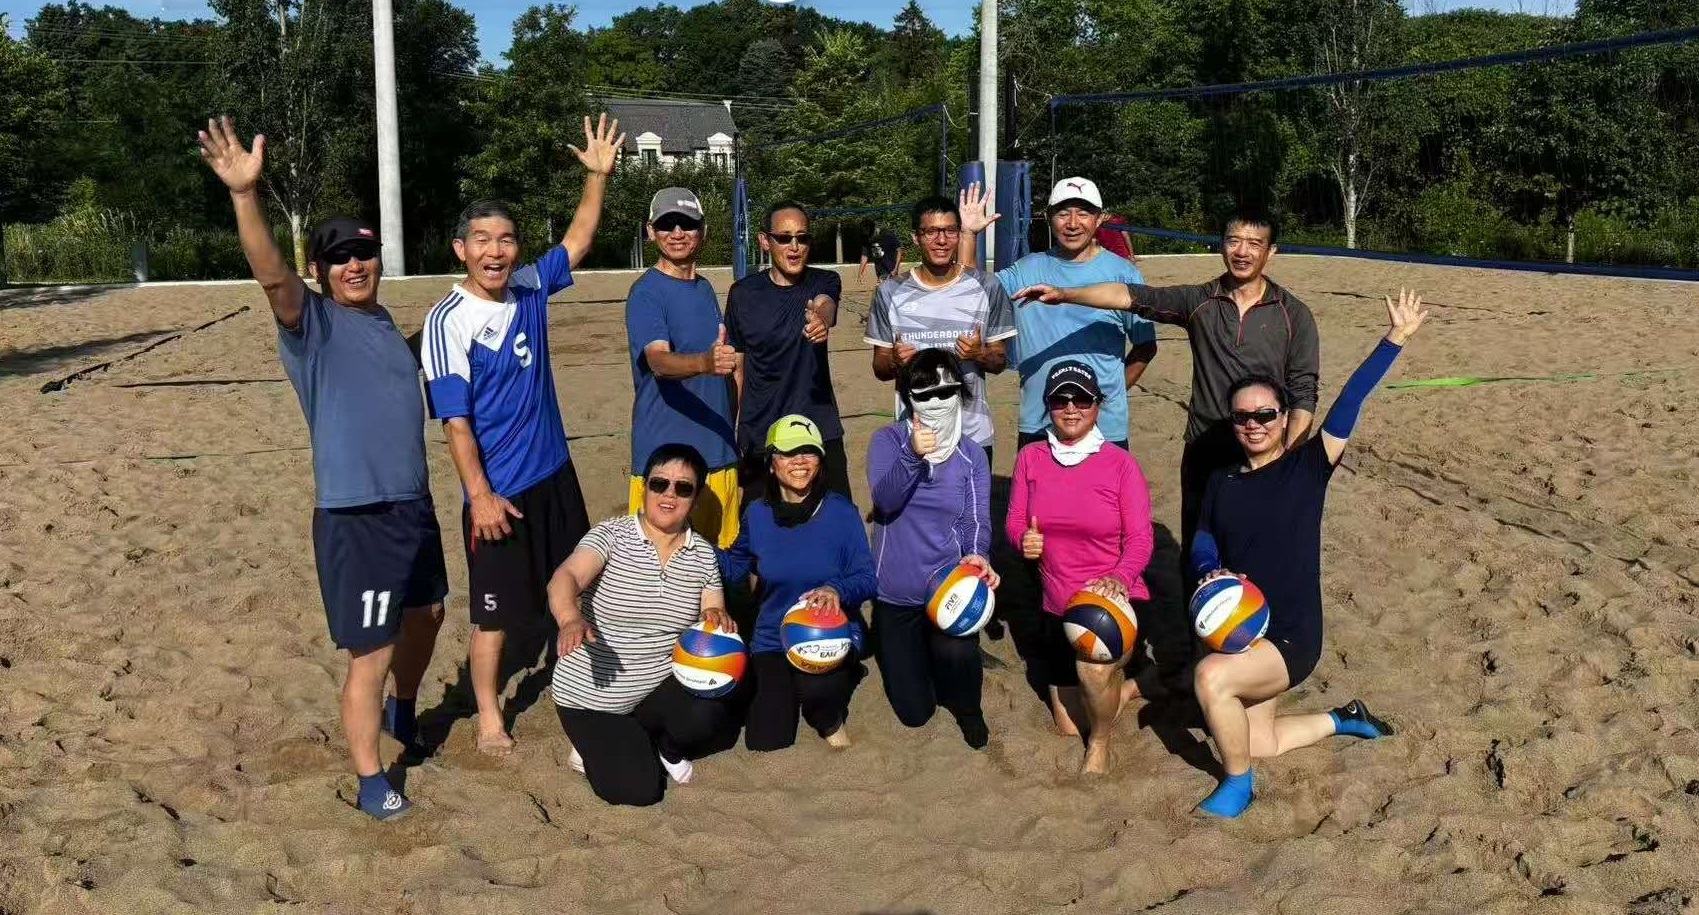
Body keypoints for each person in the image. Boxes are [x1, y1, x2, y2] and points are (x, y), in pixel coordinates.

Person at [197, 116, 445, 820]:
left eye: (363, 254)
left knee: (427, 615)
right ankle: (372, 780)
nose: (354, 265)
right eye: (339, 258)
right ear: (321, 271)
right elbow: (272, 276)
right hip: (355, 517)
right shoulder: (313, 327)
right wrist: (245, 195)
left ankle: (404, 707)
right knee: (370, 649)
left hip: (413, 507)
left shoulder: (390, 331)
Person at [421, 114, 624, 757]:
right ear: (461, 249)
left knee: (578, 588)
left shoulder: (531, 287)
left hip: (554, 474)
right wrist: (478, 494)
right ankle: (488, 717)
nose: (496, 251)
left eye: (506, 239)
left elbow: (580, 240)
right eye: (482, 240)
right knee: (493, 619)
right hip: (498, 494)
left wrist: (596, 178)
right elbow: (457, 425)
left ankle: (584, 693)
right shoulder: (446, 320)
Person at [1187, 289, 1425, 818]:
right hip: (1243, 628)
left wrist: (1395, 339)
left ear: (1282, 416)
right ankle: (1344, 718)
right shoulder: (1221, 480)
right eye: (1242, 417)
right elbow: (1204, 536)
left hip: (1291, 633)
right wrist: (1208, 568)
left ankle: (1237, 785)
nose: (1254, 424)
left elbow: (1348, 401)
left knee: (1210, 681)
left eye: (1264, 414)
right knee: (1261, 741)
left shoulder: (1308, 468)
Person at [1012, 208, 1320, 591]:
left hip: (1263, 453)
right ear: (1222, 245)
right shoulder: (1200, 301)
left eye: (1254, 244)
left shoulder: (1295, 315)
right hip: (1204, 451)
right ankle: (1197, 642)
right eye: (1234, 241)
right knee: (1198, 552)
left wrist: (1285, 460)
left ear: (1270, 252)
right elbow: (1132, 296)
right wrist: (1066, 295)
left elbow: (1304, 391)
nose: (1242, 251)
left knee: (1259, 552)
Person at [549, 444, 739, 807]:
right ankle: (592, 745)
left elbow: (713, 609)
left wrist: (716, 619)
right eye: (659, 484)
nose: (669, 494)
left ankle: (659, 742)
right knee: (640, 790)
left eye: (683, 488)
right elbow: (566, 576)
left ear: (695, 497)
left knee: (715, 704)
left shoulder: (702, 554)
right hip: (591, 699)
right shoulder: (611, 536)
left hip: (654, 690)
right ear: (645, 487)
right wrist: (570, 617)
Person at [1004, 361, 1154, 774]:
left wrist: (1119, 578)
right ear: (1047, 405)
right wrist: (1023, 542)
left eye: (1082, 398)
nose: (1072, 408)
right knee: (1071, 726)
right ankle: (1126, 688)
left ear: (1098, 405)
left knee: (1093, 700)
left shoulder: (1121, 464)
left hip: (1110, 603)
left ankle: (1101, 745)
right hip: (1056, 606)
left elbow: (1141, 539)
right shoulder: (1031, 458)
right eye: (1060, 399)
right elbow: (1015, 522)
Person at [958, 178, 1156, 452]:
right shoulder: (1026, 270)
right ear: (1049, 218)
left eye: (1084, 213)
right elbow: (970, 294)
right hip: (1039, 423)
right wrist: (968, 234)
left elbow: (1145, 345)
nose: (1073, 223)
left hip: (1104, 426)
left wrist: (1112, 392)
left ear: (1099, 219)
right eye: (1063, 213)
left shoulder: (1124, 273)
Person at [866, 349, 1002, 748]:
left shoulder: (971, 455)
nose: (936, 401)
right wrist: (912, 454)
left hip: (946, 588)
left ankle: (969, 707)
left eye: (946, 390)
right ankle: (917, 656)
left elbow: (976, 518)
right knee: (915, 713)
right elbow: (886, 501)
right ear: (907, 397)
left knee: (958, 662)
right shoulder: (888, 440)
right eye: (923, 392)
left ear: (960, 393)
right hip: (895, 593)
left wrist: (979, 554)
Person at [721, 415, 877, 751]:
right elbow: (733, 566)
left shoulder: (842, 512)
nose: (800, 462)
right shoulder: (757, 514)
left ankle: (831, 714)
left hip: (827, 632)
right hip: (772, 637)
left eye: (810, 453)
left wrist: (837, 589)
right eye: (790, 453)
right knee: (767, 739)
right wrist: (684, 543)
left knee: (818, 695)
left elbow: (866, 578)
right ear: (772, 462)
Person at [624, 187, 742, 549]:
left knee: (719, 572)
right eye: (666, 224)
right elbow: (659, 361)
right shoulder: (646, 292)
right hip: (666, 465)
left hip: (718, 452)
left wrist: (733, 421)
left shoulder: (705, 288)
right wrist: (705, 363)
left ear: (703, 230)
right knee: (660, 576)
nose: (677, 233)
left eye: (687, 224)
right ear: (650, 231)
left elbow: (731, 366)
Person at [865, 195, 1017, 468]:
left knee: (971, 512)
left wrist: (979, 354)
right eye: (931, 231)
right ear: (916, 237)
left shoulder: (988, 286)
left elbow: (999, 361)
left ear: (959, 234)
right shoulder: (889, 292)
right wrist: (896, 362)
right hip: (915, 436)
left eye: (949, 230)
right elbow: (879, 368)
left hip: (972, 436)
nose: (941, 240)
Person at [724, 202, 851, 502]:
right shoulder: (742, 294)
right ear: (764, 241)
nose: (794, 246)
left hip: (819, 428)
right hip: (761, 432)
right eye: (784, 237)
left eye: (802, 237)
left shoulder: (823, 280)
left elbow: (825, 303)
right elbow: (738, 369)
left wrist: (821, 318)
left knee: (836, 523)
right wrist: (732, 428)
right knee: (759, 532)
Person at [857, 219, 902, 284]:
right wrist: (859, 274)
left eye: (870, 235)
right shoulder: (866, 239)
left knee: (883, 289)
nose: (869, 238)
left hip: (890, 271)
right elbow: (864, 256)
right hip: (879, 272)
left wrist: (896, 268)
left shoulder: (887, 235)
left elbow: (899, 251)